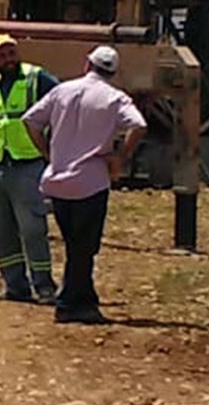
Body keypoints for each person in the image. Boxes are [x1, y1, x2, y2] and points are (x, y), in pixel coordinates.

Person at [22, 45, 147, 325]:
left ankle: (86, 300)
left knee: (76, 245)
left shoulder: (62, 91)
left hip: (57, 182)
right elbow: (138, 125)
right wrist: (120, 156)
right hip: (90, 182)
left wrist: (48, 154)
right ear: (113, 73)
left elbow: (30, 120)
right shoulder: (115, 97)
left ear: (86, 64)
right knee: (84, 247)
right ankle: (67, 305)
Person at [0, 33, 59, 303]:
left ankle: (44, 286)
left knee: (32, 227)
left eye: (10, 53)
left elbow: (61, 103)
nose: (7, 59)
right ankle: (15, 285)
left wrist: (53, 152)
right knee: (1, 229)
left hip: (27, 165)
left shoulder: (37, 78)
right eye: (1, 55)